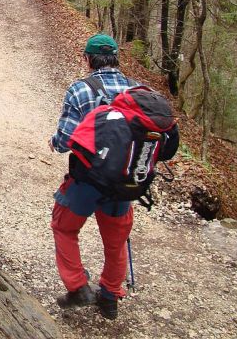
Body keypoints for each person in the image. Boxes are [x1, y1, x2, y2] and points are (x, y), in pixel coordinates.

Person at [48, 33, 136, 320]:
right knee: (115, 240)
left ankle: (78, 287)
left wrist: (53, 142)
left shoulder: (80, 90)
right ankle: (109, 297)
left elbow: (65, 140)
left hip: (86, 180)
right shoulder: (137, 92)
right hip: (123, 184)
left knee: (63, 228)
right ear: (116, 58)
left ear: (87, 59)